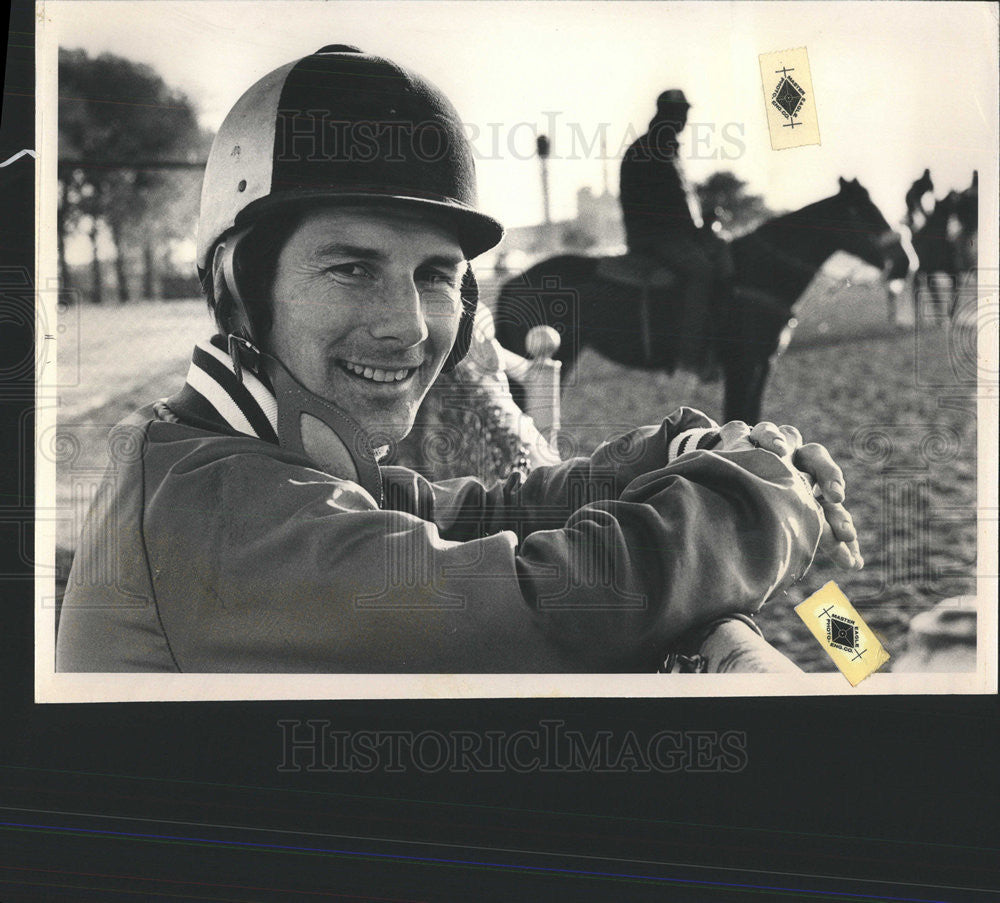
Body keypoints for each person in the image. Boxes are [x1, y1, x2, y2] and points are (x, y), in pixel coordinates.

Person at [56, 46, 861, 674]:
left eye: (435, 275)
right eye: (351, 266)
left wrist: (687, 448)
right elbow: (541, 607)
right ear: (239, 283)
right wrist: (765, 495)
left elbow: (474, 513)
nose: (408, 327)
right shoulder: (212, 502)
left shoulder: (259, 451)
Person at [619, 89, 731, 374]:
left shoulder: (664, 147)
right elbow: (667, 204)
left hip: (671, 233)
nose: (683, 121)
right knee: (702, 271)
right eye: (679, 114)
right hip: (655, 237)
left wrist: (700, 223)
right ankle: (690, 354)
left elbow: (676, 203)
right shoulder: (652, 149)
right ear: (666, 114)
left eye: (684, 114)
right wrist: (697, 229)